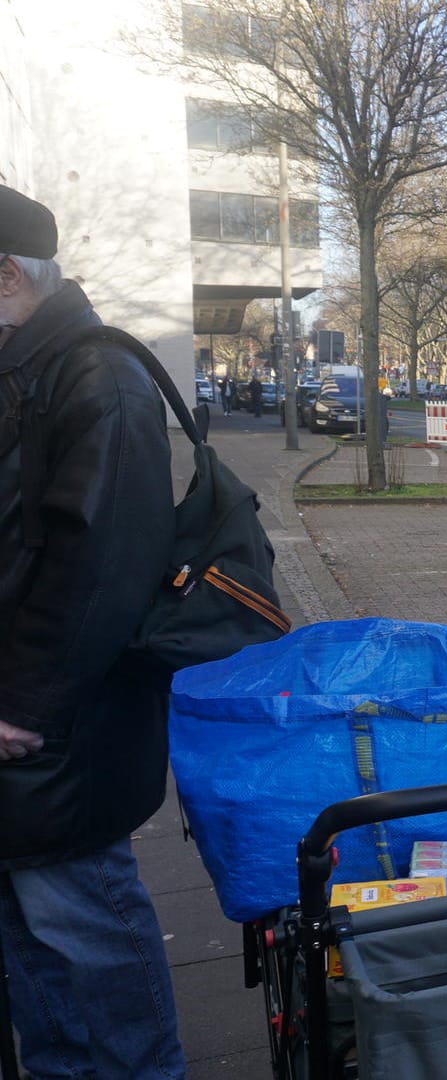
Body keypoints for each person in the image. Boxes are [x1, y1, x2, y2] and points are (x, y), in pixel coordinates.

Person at [0, 185, 186, 1076]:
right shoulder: (27, 365)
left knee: (85, 929)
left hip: (52, 730)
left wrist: (24, 704)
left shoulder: (93, 374)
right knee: (34, 943)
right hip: (30, 720)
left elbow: (101, 568)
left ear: (6, 276)